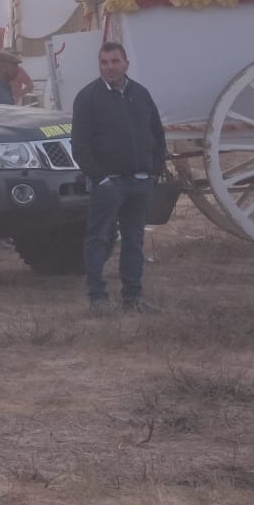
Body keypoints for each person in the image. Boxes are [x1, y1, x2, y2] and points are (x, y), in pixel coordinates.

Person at [72, 41, 166, 316]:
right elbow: (80, 146)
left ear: (126, 63)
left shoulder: (141, 94)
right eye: (104, 62)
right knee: (98, 239)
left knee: (134, 241)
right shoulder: (88, 97)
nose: (109, 67)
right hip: (108, 184)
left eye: (115, 61)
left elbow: (157, 134)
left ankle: (133, 298)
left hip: (140, 182)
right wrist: (101, 180)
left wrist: (154, 171)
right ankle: (97, 299)